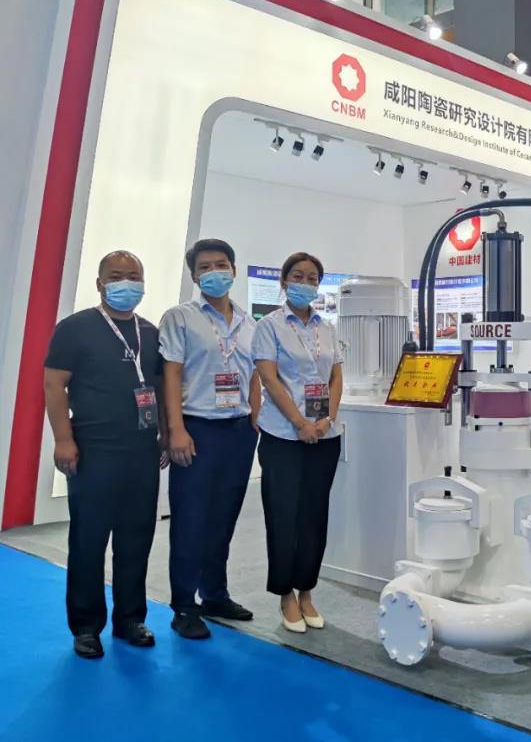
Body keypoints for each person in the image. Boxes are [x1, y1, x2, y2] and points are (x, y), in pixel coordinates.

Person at [44, 251, 165, 659]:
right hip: (93, 450)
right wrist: (63, 440)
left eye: (134, 276)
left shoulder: (150, 332)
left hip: (142, 451)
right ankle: (85, 626)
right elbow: (54, 385)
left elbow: (160, 388)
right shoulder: (75, 328)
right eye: (116, 276)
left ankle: (130, 619)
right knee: (89, 540)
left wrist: (165, 434)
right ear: (100, 284)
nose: (126, 283)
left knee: (136, 537)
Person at [159, 239, 260, 640]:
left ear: (233, 270)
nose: (214, 272)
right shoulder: (180, 318)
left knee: (223, 516)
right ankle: (184, 605)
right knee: (190, 519)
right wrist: (175, 430)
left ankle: (215, 594)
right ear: (194, 275)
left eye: (221, 265)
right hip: (196, 428)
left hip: (238, 431)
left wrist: (254, 415)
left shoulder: (249, 324)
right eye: (205, 267)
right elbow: (171, 375)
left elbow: (255, 374)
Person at [252, 252, 343, 633]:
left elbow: (336, 376)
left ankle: (307, 591)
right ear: (284, 282)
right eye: (297, 276)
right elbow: (269, 380)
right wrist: (300, 423)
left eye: (311, 278)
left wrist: (326, 420)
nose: (305, 283)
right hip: (283, 436)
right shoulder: (269, 326)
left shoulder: (328, 327)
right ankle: (285, 594)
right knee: (283, 515)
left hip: (325, 435)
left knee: (314, 517)